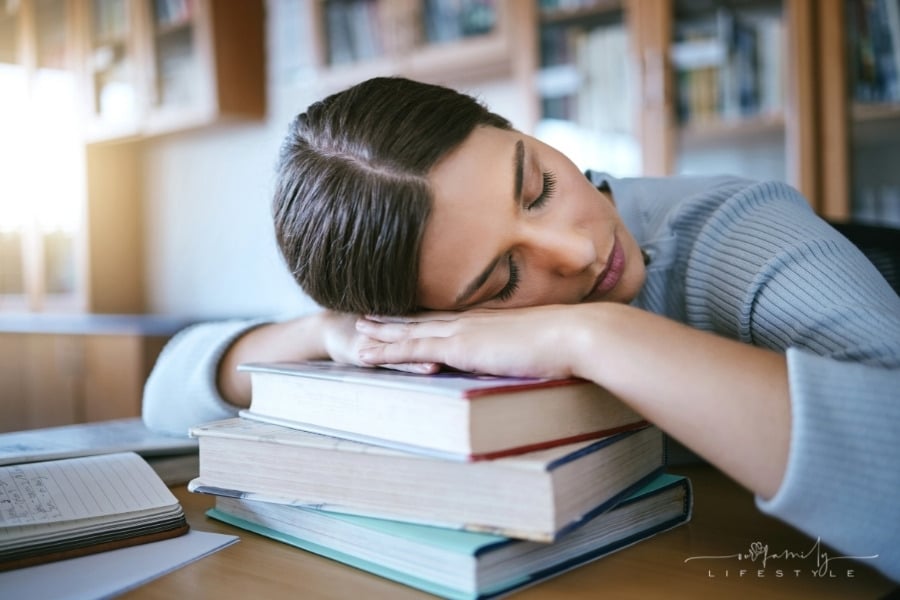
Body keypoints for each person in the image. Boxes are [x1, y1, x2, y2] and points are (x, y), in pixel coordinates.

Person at [143, 77, 900, 581]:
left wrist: (593, 336)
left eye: (536, 186)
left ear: (517, 129)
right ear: (433, 320)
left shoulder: (735, 230)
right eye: (502, 279)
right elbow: (168, 396)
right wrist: (328, 333)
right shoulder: (427, 330)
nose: (578, 251)